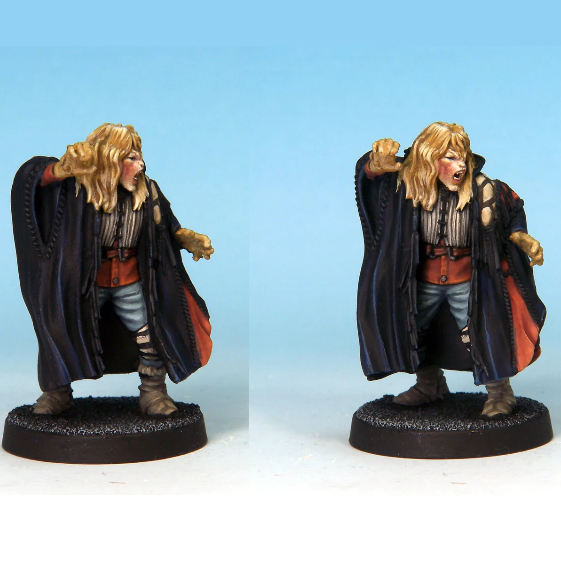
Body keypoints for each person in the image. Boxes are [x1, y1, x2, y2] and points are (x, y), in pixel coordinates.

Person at [12, 123, 214, 415]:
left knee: (151, 332)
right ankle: (57, 392)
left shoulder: (148, 192)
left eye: (139, 156)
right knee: (60, 330)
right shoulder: (75, 190)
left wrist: (185, 237)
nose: (141, 164)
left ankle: (153, 392)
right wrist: (60, 169)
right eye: (131, 158)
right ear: (109, 159)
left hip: (131, 279)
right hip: (84, 282)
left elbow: (166, 226)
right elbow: (30, 181)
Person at [355, 122, 545, 416]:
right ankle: (429, 385)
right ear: (428, 159)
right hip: (424, 280)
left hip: (469, 279)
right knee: (413, 332)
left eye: (463, 157)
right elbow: (372, 184)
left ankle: (499, 392)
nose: (461, 165)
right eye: (450, 157)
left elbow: (513, 209)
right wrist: (375, 164)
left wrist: (520, 235)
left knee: (484, 334)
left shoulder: (485, 190)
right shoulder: (406, 188)